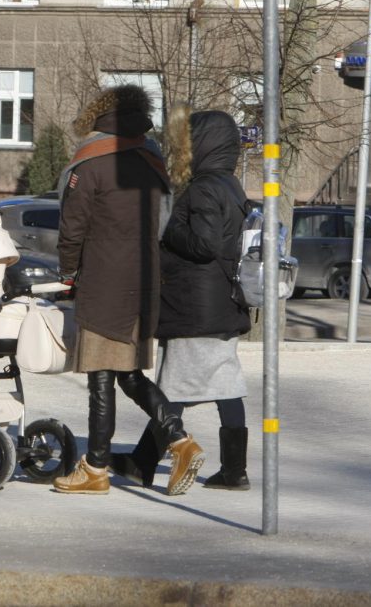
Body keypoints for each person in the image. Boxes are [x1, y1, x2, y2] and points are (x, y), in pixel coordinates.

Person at [51, 84, 205, 496]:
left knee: (102, 373)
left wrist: (68, 271)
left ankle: (96, 468)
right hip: (144, 281)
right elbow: (163, 222)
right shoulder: (152, 159)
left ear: (99, 116)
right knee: (128, 372)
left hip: (103, 280)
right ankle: (178, 441)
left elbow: (72, 226)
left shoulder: (91, 160)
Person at [110, 105, 252, 491]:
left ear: (205, 144)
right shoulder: (230, 186)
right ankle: (234, 471)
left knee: (173, 389)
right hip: (221, 302)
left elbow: (203, 244)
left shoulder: (204, 187)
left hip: (193, 304)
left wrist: (167, 229)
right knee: (226, 386)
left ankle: (144, 462)